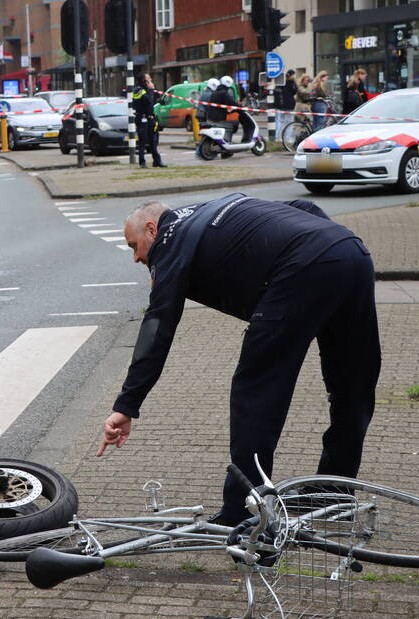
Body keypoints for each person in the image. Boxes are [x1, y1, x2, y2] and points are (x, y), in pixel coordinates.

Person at [98, 196, 379, 525]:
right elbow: (304, 209)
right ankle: (335, 492)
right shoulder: (214, 208)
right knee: (353, 383)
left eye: (135, 246)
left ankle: (242, 512)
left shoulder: (171, 238)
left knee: (256, 392)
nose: (136, 257)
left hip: (301, 268)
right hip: (351, 253)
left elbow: (158, 325)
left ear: (151, 229)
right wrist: (330, 247)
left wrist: (127, 403)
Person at [132, 73, 165, 168]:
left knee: (153, 141)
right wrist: (151, 90)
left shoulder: (148, 90)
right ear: (144, 81)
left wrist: (156, 93)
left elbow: (157, 99)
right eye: (148, 79)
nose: (150, 80)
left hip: (151, 118)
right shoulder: (138, 90)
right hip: (142, 118)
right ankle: (142, 162)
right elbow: (148, 100)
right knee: (142, 141)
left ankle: (157, 161)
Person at [206, 76, 239, 142]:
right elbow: (231, 102)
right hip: (217, 119)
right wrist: (241, 107)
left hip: (210, 117)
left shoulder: (215, 92)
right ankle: (227, 141)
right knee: (234, 123)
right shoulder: (223, 93)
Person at [274, 69, 297, 139]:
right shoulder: (291, 83)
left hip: (282, 104)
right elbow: (294, 91)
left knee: (281, 122)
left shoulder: (281, 83)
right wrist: (293, 81)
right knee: (289, 122)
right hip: (289, 105)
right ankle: (287, 138)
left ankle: (278, 137)